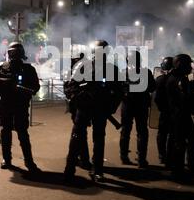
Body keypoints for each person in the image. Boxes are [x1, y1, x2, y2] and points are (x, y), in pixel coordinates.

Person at [64, 40, 124, 182]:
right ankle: (70, 167)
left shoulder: (112, 69)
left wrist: (110, 107)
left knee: (99, 138)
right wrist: (78, 98)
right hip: (84, 108)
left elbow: (118, 91)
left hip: (100, 109)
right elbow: (70, 86)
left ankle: (97, 169)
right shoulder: (83, 66)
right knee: (76, 137)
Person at [0, 42, 41, 172]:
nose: (14, 56)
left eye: (16, 53)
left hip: (20, 105)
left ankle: (29, 160)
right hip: (6, 104)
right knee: (6, 132)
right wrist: (5, 81)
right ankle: (7, 159)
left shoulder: (28, 69)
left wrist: (22, 89)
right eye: (13, 53)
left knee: (22, 133)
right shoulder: (2, 66)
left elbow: (35, 87)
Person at [165, 54, 194, 176]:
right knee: (182, 142)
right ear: (181, 65)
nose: (190, 67)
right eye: (188, 64)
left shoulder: (174, 77)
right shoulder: (179, 80)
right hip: (180, 115)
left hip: (178, 114)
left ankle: (179, 166)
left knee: (183, 140)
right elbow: (185, 99)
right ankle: (180, 168)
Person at [119, 50, 156, 168]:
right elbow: (152, 88)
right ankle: (141, 159)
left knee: (125, 131)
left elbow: (118, 90)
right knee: (142, 132)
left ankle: (124, 156)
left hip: (127, 105)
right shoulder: (146, 72)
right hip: (142, 105)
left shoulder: (123, 73)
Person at [64, 52, 92, 170]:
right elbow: (68, 88)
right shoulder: (76, 70)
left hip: (81, 106)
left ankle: (78, 159)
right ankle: (83, 159)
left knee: (79, 133)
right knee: (81, 133)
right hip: (78, 106)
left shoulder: (82, 69)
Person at [154, 57, 174, 166]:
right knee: (171, 135)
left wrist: (162, 108)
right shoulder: (177, 79)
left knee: (162, 134)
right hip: (174, 112)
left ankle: (162, 156)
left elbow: (157, 98)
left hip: (164, 112)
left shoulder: (160, 79)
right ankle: (170, 157)